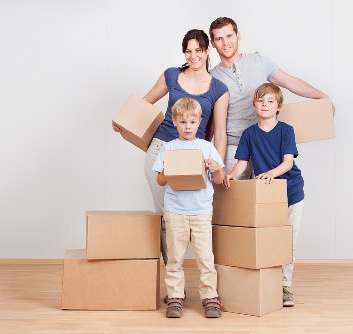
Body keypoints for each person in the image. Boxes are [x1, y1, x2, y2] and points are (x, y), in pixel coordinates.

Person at [112, 29, 229, 265]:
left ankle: (190, 268)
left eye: (198, 50)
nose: (193, 56)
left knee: (191, 214)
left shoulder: (219, 89)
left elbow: (220, 132)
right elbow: (146, 101)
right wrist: (123, 119)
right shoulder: (171, 75)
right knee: (166, 213)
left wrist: (220, 167)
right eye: (188, 51)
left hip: (195, 155)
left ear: (207, 51)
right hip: (163, 147)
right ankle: (172, 272)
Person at [209, 17, 334, 177]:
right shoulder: (212, 77)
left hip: (265, 144)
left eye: (229, 36)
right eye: (219, 39)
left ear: (238, 36)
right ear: (212, 43)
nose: (225, 43)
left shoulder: (259, 60)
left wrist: (322, 97)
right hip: (233, 148)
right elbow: (212, 124)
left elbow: (289, 81)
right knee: (231, 199)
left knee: (267, 199)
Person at [223, 83, 304, 307]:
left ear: (279, 106)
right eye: (260, 101)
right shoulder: (249, 134)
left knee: (288, 241)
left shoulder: (286, 130)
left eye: (270, 101)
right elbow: (242, 163)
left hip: (292, 192)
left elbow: (288, 162)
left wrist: (270, 173)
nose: (265, 105)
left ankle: (285, 287)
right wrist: (231, 175)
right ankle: (268, 283)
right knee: (267, 240)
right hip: (267, 196)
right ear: (254, 104)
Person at [153, 97, 225, 318]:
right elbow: (161, 181)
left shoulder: (206, 147)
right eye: (183, 122)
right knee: (175, 258)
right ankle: (175, 297)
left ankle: (210, 297)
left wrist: (216, 168)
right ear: (175, 122)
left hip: (201, 211)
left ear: (199, 122)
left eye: (192, 122)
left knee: (205, 257)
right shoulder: (168, 148)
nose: (187, 127)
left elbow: (219, 178)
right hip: (175, 212)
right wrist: (167, 169)